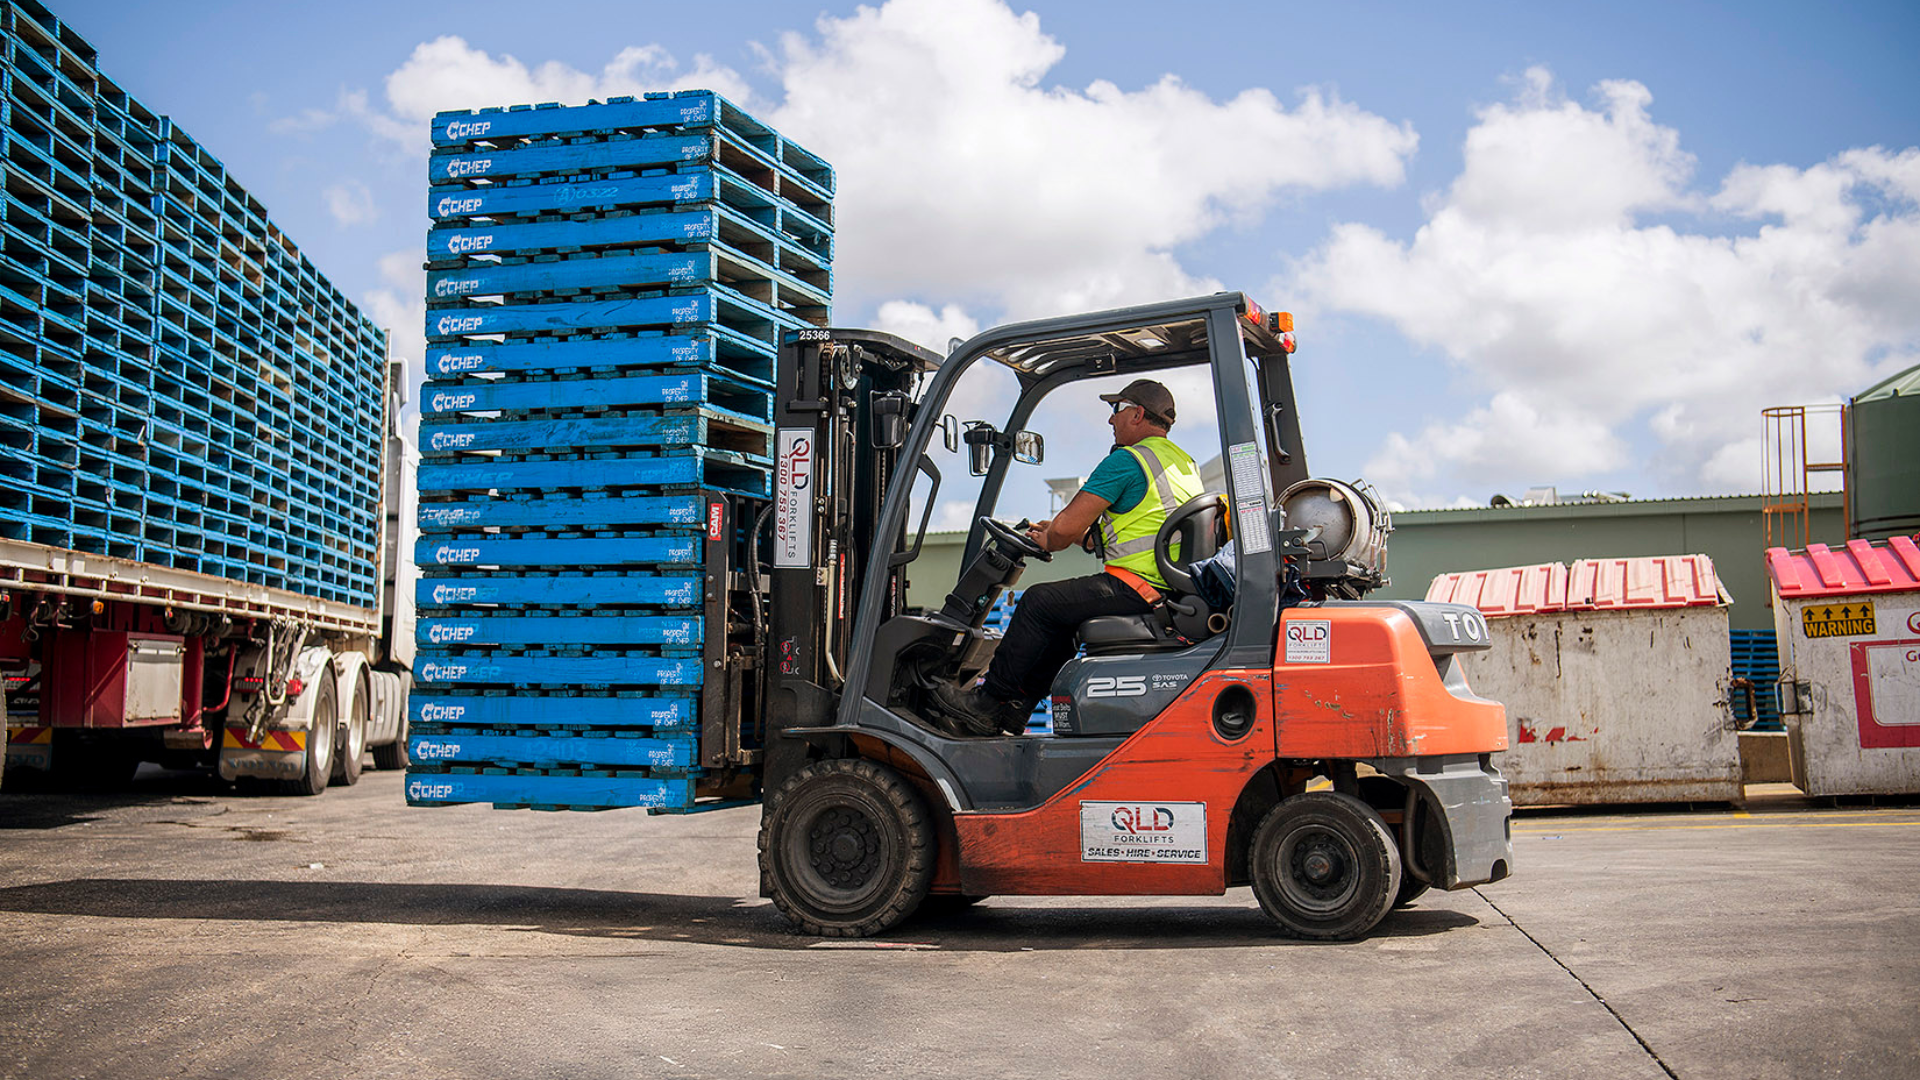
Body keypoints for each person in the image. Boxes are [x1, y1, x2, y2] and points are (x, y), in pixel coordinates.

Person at [929, 378, 1203, 736]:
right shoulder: (1183, 463)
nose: (1110, 421)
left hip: (1139, 585)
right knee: (1060, 618)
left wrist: (1053, 536)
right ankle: (1014, 713)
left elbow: (1060, 534)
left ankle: (988, 702)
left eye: (1116, 410)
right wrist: (1070, 536)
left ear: (1137, 414)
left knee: (1038, 602)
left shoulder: (1127, 461)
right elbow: (1139, 529)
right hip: (1169, 589)